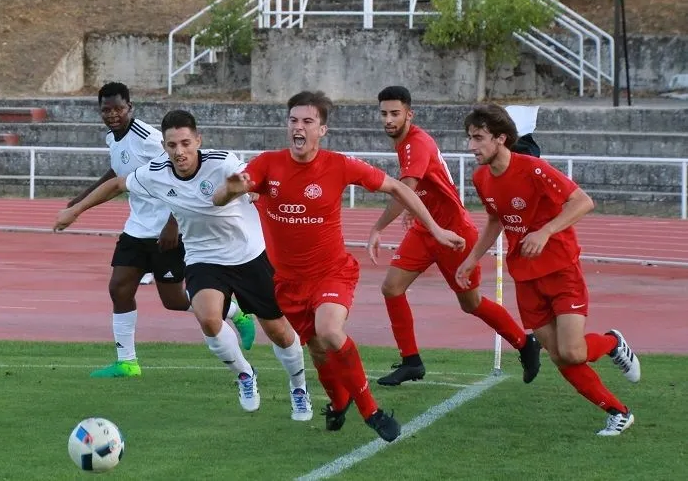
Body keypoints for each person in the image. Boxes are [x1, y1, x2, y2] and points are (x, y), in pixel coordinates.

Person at [211, 90, 467, 443]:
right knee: (317, 349)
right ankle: (338, 401)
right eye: (293, 120)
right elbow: (220, 197)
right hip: (288, 282)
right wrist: (231, 189)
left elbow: (397, 187)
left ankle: (371, 411)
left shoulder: (339, 164)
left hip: (332, 271)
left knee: (330, 331)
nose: (298, 127)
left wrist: (435, 229)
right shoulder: (267, 164)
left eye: (307, 121)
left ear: (322, 130)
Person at [55, 109, 314, 421]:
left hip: (248, 256)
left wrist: (255, 192)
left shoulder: (223, 162)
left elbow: (254, 179)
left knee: (279, 332)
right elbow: (117, 185)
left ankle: (298, 388)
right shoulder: (156, 172)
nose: (179, 151)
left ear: (198, 141)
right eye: (172, 145)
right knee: (207, 319)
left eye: (185, 143)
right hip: (204, 259)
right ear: (164, 146)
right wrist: (76, 210)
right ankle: (245, 374)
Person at [455, 104, 641, 436]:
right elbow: (496, 219)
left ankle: (612, 343)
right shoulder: (481, 177)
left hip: (560, 269)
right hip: (525, 278)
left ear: (501, 138)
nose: (471, 146)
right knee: (559, 356)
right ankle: (618, 411)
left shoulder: (533, 169)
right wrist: (472, 258)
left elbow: (583, 201)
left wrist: (545, 232)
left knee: (572, 351)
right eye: (469, 138)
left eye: (478, 138)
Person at [66, 82, 255, 378]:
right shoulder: (112, 138)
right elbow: (117, 173)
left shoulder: (150, 139)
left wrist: (172, 224)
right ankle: (127, 362)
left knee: (174, 300)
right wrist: (80, 199)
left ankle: (235, 312)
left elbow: (179, 177)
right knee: (118, 288)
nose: (113, 114)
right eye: (106, 109)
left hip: (166, 230)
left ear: (130, 107)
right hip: (137, 228)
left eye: (118, 108)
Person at [367, 86, 541, 387]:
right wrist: (417, 207)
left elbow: (402, 189)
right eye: (384, 113)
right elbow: (418, 187)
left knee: (470, 303)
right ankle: (411, 361)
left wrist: (378, 227)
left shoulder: (416, 143)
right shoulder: (406, 143)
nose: (388, 119)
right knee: (392, 288)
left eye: (395, 113)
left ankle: (525, 344)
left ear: (410, 114)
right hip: (427, 229)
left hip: (454, 233)